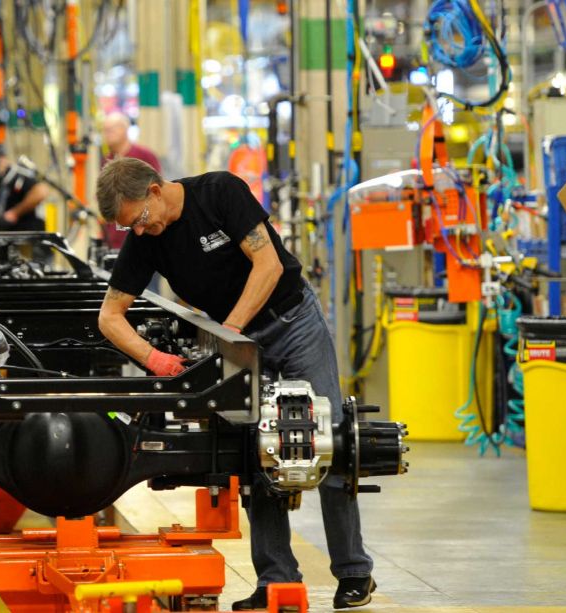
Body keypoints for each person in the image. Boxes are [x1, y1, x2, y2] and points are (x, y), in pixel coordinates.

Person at [95, 158, 376, 610]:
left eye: (140, 220)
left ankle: (354, 572)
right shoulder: (148, 240)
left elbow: (267, 265)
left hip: (292, 322)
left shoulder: (220, 192)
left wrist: (230, 332)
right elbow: (110, 316)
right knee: (253, 451)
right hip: (236, 340)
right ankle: (276, 580)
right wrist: (157, 360)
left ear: (154, 190)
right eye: (131, 229)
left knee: (328, 439)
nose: (141, 232)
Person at [100, 112, 162, 249]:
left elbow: (157, 192)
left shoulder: (145, 156)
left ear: (124, 129)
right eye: (105, 130)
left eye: (111, 129)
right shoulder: (105, 161)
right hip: (114, 238)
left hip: (141, 234)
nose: (107, 134)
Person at [0, 154, 50, 231]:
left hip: (28, 232)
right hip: (9, 232)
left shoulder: (18, 175)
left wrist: (15, 213)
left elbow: (41, 191)